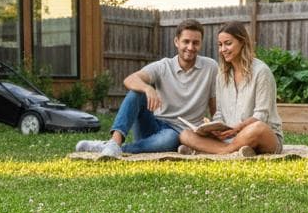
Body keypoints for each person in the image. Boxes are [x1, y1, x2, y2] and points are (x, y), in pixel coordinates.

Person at [76, 19, 217, 157]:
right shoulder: (163, 66)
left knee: (170, 138)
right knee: (137, 92)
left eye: (195, 43)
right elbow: (130, 79)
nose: (191, 47)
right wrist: (148, 89)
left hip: (182, 135)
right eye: (186, 41)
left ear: (201, 44)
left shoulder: (210, 67)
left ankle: (114, 148)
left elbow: (214, 105)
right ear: (176, 42)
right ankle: (115, 142)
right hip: (153, 126)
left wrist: (215, 129)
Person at [177, 21, 283, 157]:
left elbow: (261, 116)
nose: (223, 49)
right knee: (185, 134)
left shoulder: (261, 72)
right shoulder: (222, 74)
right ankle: (236, 150)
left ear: (242, 42)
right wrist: (213, 127)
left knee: (257, 128)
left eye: (228, 43)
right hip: (229, 137)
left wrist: (236, 129)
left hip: (262, 135)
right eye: (220, 45)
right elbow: (220, 112)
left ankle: (219, 151)